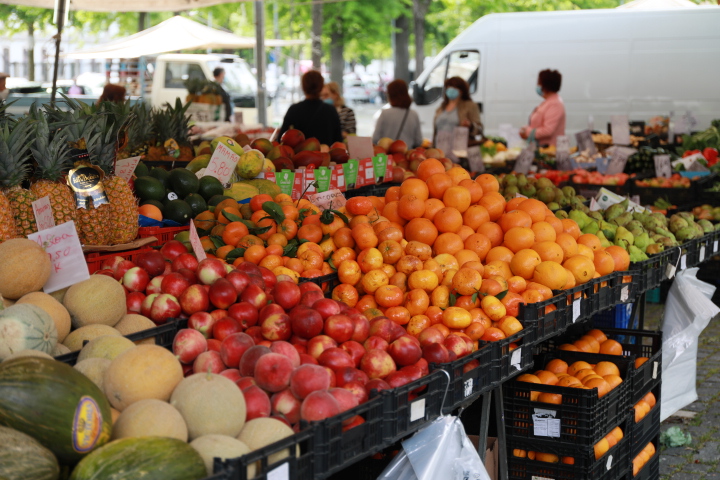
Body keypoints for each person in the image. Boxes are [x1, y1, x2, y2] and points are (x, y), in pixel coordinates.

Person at [279, 70, 343, 146]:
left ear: (303, 86)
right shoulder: (331, 110)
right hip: (326, 156)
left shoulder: (294, 110)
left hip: (299, 157)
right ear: (321, 86)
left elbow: (281, 139)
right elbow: (338, 140)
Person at [520, 69, 566, 147]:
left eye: (539, 83)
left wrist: (527, 132)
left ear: (545, 85)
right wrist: (527, 128)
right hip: (539, 148)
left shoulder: (555, 104)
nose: (537, 86)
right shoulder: (549, 101)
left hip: (548, 151)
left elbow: (548, 131)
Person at [372, 79, 423, 149]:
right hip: (407, 156)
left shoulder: (385, 113)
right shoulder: (413, 114)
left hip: (388, 157)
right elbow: (418, 141)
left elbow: (375, 139)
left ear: (390, 95)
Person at [433, 76, 482, 145]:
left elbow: (479, 129)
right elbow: (436, 131)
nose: (451, 89)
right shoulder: (441, 107)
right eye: (449, 87)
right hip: (441, 148)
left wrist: (471, 126)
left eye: (454, 87)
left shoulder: (470, 106)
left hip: (459, 148)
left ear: (461, 90)